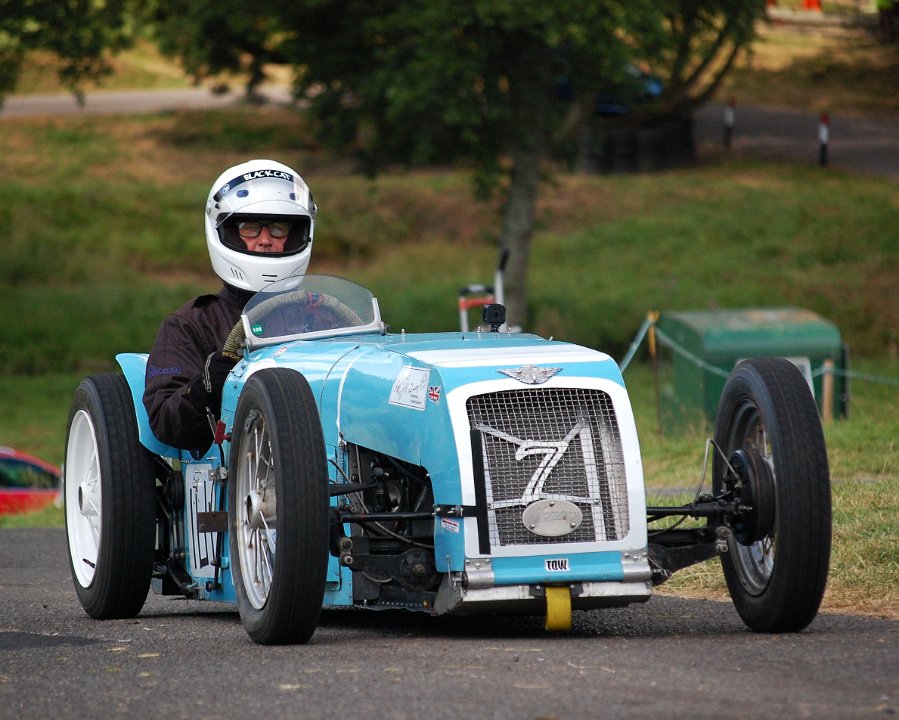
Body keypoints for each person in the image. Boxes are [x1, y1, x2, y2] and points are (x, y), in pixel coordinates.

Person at [143, 159, 317, 452]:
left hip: (322, 457)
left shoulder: (323, 315)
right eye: (251, 229)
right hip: (236, 470)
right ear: (227, 233)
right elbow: (165, 421)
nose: (265, 241)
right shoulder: (191, 324)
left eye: (277, 229)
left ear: (296, 235)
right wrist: (205, 389)